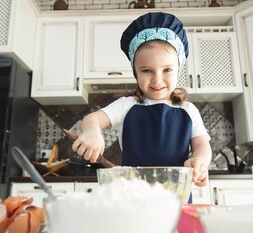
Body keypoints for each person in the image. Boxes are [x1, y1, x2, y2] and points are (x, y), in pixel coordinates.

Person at [71, 12, 211, 188]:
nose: (157, 80)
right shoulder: (127, 105)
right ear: (135, 71)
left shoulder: (189, 110)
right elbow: (91, 120)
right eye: (147, 70)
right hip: (134, 196)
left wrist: (199, 161)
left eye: (167, 69)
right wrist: (92, 130)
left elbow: (202, 146)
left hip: (177, 196)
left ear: (178, 69)